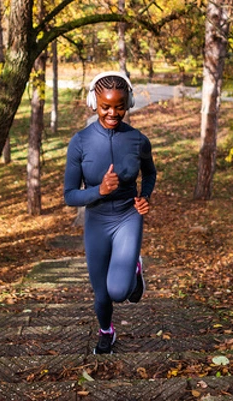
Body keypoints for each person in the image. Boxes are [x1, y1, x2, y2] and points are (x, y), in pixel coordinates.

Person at [64, 71, 157, 354]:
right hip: (97, 220)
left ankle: (135, 268)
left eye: (119, 106)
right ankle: (106, 331)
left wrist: (146, 197)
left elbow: (150, 173)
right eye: (106, 106)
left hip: (128, 216)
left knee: (119, 292)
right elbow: (70, 195)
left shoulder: (138, 140)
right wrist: (99, 191)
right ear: (94, 102)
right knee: (102, 293)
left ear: (128, 103)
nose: (113, 113)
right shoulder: (80, 142)